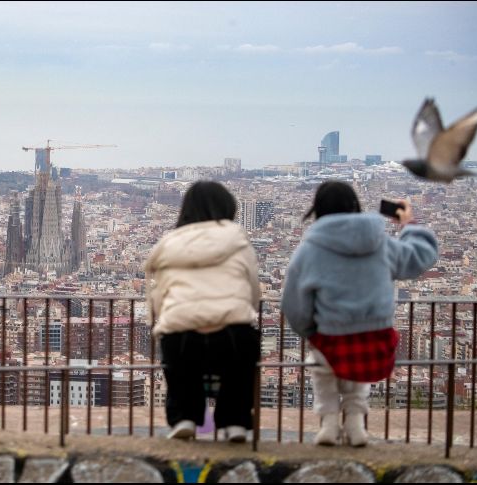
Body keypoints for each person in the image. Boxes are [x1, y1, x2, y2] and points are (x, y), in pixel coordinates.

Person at [281, 181, 438, 447]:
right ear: (356, 206)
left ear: (317, 211)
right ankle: (355, 425)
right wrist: (409, 223)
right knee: (356, 378)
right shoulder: (380, 244)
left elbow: (294, 304)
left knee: (321, 368)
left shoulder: (309, 250)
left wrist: (311, 332)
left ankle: (329, 423)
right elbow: (419, 257)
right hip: (376, 340)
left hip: (331, 337)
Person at [145, 181, 261, 442]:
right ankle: (235, 423)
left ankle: (184, 417)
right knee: (242, 359)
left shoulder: (169, 244)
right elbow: (253, 291)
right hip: (232, 336)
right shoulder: (238, 241)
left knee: (179, 362)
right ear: (228, 207)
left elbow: (159, 297)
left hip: (181, 338)